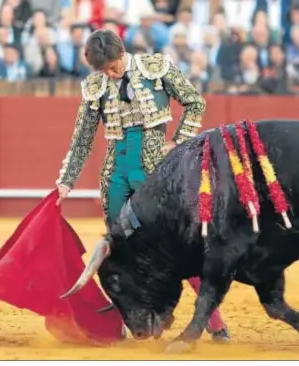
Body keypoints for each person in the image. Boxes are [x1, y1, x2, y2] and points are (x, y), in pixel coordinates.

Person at [54, 29, 230, 343]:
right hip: (116, 176)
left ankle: (214, 322)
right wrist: (66, 182)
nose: (109, 74)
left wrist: (178, 143)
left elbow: (194, 103)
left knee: (176, 249)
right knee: (121, 254)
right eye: (103, 70)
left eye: (112, 67)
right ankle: (133, 321)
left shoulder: (156, 66)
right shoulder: (96, 85)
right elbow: (82, 138)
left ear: (122, 53)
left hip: (155, 174)